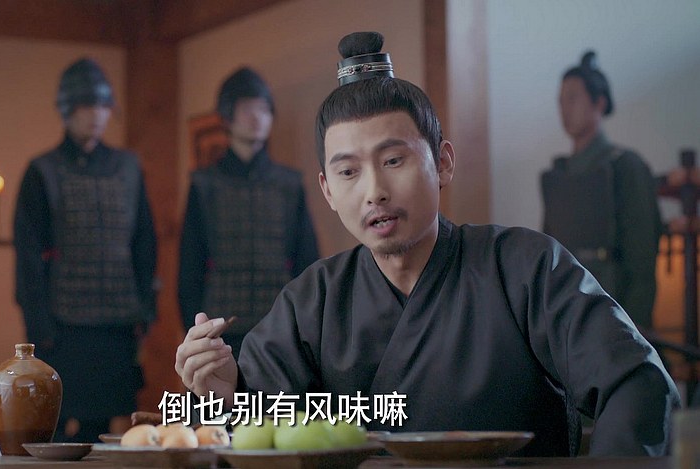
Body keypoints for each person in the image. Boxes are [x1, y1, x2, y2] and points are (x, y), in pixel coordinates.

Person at [175, 32, 679, 457]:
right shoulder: (313, 301)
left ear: (443, 162)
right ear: (327, 191)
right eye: (348, 172)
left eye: (393, 160)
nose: (374, 191)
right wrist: (223, 394)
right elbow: (259, 428)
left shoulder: (524, 269)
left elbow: (637, 382)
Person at [14, 58, 157, 442]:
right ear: (67, 110)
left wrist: (146, 308)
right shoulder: (43, 170)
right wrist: (38, 324)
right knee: (55, 424)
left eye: (102, 106)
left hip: (116, 323)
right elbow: (28, 257)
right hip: (63, 325)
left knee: (105, 426)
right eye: (85, 106)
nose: (95, 115)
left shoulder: (127, 167)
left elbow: (144, 243)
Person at [178, 67, 319, 358]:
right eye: (247, 109)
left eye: (264, 109)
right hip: (220, 325)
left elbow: (306, 259)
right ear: (227, 116)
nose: (257, 118)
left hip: (279, 323)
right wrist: (194, 329)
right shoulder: (205, 184)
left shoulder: (289, 183)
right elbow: (191, 264)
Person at [541, 51, 661, 331]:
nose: (564, 108)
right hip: (565, 310)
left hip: (615, 309)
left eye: (573, 98)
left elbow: (642, 261)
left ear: (599, 103)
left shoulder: (626, 166)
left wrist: (633, 332)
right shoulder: (559, 174)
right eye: (561, 100)